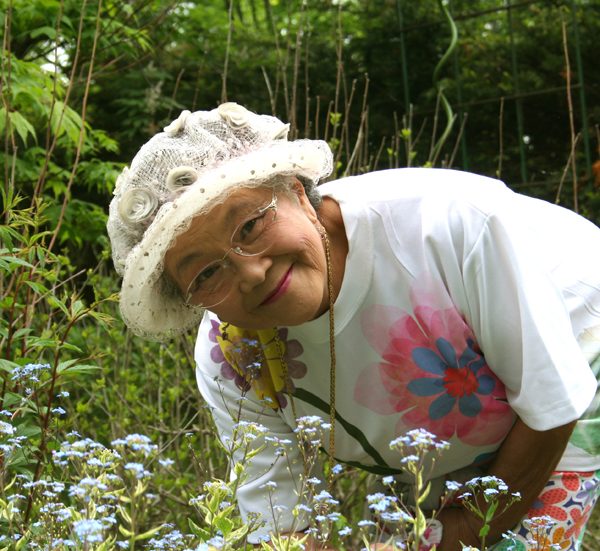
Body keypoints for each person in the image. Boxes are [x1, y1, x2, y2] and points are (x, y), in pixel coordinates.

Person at [107, 103, 600, 551]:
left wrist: (463, 534)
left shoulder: (449, 225)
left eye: (251, 226)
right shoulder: (233, 357)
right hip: (443, 438)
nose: (251, 271)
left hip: (574, 369)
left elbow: (552, 404)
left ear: (297, 192)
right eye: (207, 273)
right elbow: (281, 525)